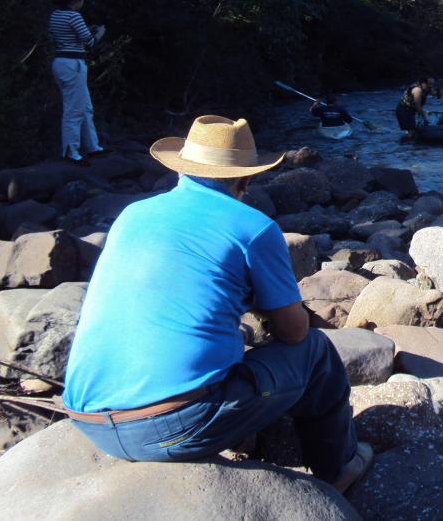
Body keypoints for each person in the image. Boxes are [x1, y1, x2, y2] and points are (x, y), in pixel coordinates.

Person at [63, 115, 371, 492]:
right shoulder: (253, 228)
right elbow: (294, 332)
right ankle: (337, 470)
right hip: (173, 427)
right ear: (246, 179)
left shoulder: (131, 215)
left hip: (87, 418)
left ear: (182, 168)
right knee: (316, 351)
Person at [48, 0, 107, 163]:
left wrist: (86, 31)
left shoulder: (55, 15)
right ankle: (70, 152)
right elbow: (90, 42)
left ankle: (93, 146)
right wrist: (100, 33)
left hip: (61, 61)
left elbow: (56, 38)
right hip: (73, 65)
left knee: (85, 107)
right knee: (74, 109)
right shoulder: (74, 16)